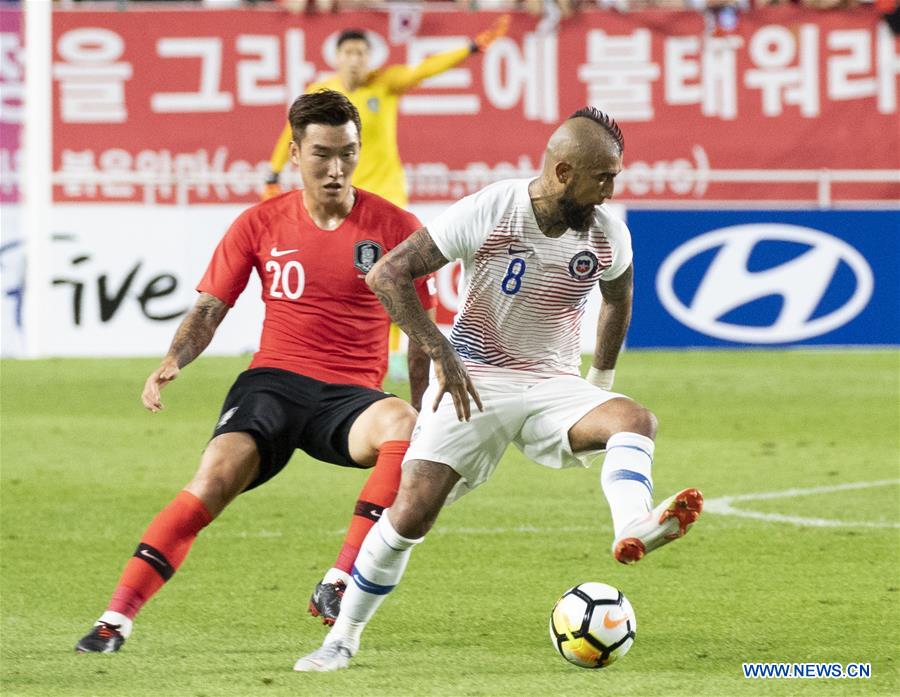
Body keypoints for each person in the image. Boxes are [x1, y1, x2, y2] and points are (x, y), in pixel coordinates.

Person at [293, 106, 703, 672]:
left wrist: (599, 385)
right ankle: (341, 639)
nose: (610, 192)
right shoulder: (494, 208)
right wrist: (440, 351)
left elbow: (618, 297)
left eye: (615, 177)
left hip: (553, 384)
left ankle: (632, 524)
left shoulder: (608, 233)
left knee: (635, 420)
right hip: (474, 380)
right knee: (410, 513)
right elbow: (388, 273)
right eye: (602, 178)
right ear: (562, 172)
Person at [75, 90, 437, 653]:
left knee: (404, 422)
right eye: (321, 154)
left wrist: (427, 407)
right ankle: (114, 618)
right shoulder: (260, 223)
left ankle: (340, 579)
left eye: (347, 153)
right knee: (212, 482)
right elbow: (209, 309)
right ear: (295, 154)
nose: (336, 168)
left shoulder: (397, 228)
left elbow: (420, 335)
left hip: (350, 398)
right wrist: (174, 358)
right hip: (273, 383)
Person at [262, 16, 510, 208]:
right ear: (337, 58)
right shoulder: (320, 91)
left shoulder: (385, 84)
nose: (355, 60)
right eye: (349, 53)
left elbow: (425, 69)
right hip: (342, 191)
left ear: (369, 58)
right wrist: (273, 174)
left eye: (360, 53)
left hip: (387, 192)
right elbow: (293, 132)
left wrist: (471, 48)